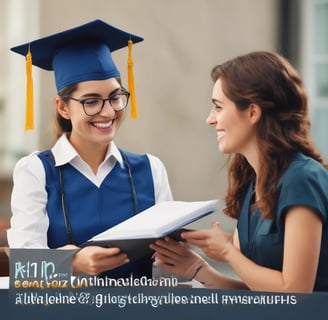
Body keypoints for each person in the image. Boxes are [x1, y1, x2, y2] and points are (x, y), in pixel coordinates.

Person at [7, 20, 173, 279]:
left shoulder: (150, 170)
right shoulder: (36, 171)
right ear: (63, 107)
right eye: (91, 101)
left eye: (115, 97)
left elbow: (167, 270)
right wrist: (71, 263)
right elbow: (23, 267)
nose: (108, 112)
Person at [150, 51, 328, 292]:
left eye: (218, 107)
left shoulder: (302, 178)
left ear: (253, 112)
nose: (210, 119)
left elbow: (295, 292)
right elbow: (259, 294)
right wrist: (197, 269)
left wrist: (228, 252)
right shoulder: (253, 184)